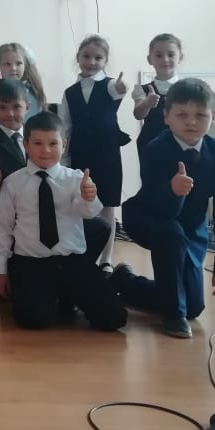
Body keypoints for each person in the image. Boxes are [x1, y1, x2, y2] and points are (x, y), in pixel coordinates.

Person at [113, 78, 215, 339]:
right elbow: (156, 205)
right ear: (166, 117)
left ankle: (124, 281)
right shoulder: (155, 149)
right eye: (182, 115)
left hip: (191, 227)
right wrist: (172, 191)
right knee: (170, 235)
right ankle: (173, 315)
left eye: (200, 115)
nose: (191, 122)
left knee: (193, 306)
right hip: (149, 216)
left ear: (213, 118)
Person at [0, 112, 127, 331]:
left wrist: (88, 197)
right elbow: (2, 229)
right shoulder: (13, 183)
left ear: (64, 145)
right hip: (32, 261)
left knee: (114, 319)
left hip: (71, 259)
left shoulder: (75, 178)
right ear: (26, 145)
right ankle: (53, 295)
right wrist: (0, 271)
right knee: (33, 319)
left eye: (53, 143)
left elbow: (89, 213)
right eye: (37, 143)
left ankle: (100, 284)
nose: (45, 150)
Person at [0, 78, 111, 289]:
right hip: (15, 222)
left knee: (99, 227)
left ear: (27, 107)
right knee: (20, 295)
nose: (10, 113)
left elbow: (78, 199)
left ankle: (74, 271)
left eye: (16, 107)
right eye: (3, 107)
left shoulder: (42, 134)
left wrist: (87, 195)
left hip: (52, 221)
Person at [61, 34, 131, 270]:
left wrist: (122, 87)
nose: (91, 62)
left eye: (98, 58)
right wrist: (64, 159)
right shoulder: (70, 92)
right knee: (81, 204)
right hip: (80, 154)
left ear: (105, 61)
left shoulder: (110, 85)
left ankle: (106, 259)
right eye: (86, 56)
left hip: (107, 155)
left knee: (107, 205)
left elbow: (119, 89)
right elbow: (65, 127)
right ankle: (84, 254)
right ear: (78, 57)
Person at [132, 33, 183, 157]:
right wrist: (147, 104)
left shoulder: (189, 88)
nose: (165, 59)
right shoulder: (142, 89)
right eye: (159, 55)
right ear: (150, 59)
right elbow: (138, 114)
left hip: (182, 142)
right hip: (150, 143)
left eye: (170, 55)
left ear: (180, 57)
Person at [0, 42, 47, 120]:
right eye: (7, 64)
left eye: (19, 63)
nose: (13, 68)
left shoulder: (32, 89)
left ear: (25, 65)